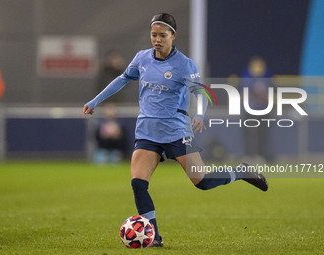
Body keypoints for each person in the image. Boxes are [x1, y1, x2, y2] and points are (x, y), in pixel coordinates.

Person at [84, 13, 268, 247]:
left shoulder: (184, 65)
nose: (157, 40)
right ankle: (155, 238)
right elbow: (122, 79)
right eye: (154, 35)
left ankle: (241, 172)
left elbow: (201, 93)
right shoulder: (142, 58)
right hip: (147, 132)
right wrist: (94, 101)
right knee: (138, 184)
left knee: (201, 182)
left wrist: (199, 114)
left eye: (162, 35)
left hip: (176, 131)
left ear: (173, 35)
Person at [239, 56, 273, 162]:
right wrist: (255, 94)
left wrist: (258, 95)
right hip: (249, 110)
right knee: (248, 134)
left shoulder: (266, 79)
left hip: (263, 110)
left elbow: (269, 96)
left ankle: (260, 155)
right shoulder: (247, 78)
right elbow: (243, 94)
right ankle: (248, 155)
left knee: (262, 134)